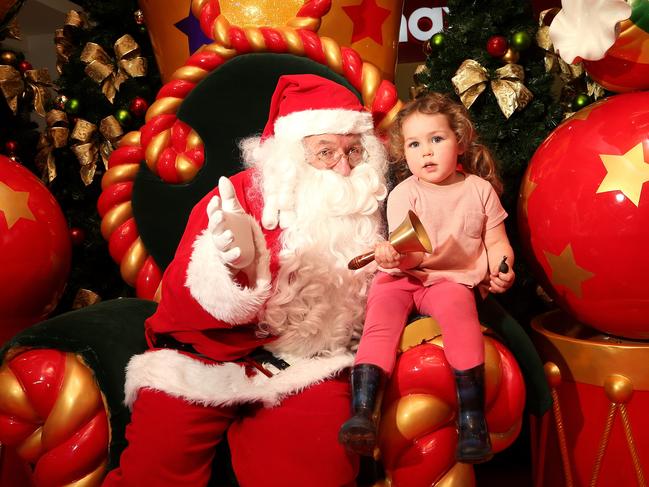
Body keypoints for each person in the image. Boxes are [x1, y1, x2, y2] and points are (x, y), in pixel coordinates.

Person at [102, 74, 389, 487]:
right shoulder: (235, 198)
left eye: (354, 151)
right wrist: (234, 269)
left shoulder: (373, 204)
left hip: (309, 365)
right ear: (293, 155)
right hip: (206, 355)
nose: (344, 168)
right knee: (156, 466)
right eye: (326, 152)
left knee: (317, 466)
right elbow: (184, 297)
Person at [338, 92, 515, 464]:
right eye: (416, 144)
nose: (427, 152)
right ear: (405, 153)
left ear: (460, 141)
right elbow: (412, 252)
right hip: (403, 275)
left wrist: (503, 267)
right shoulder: (405, 193)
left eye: (437, 139)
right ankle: (363, 411)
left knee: (460, 316)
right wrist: (392, 253)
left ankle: (472, 420)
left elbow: (497, 242)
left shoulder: (478, 191)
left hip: (450, 278)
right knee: (381, 320)